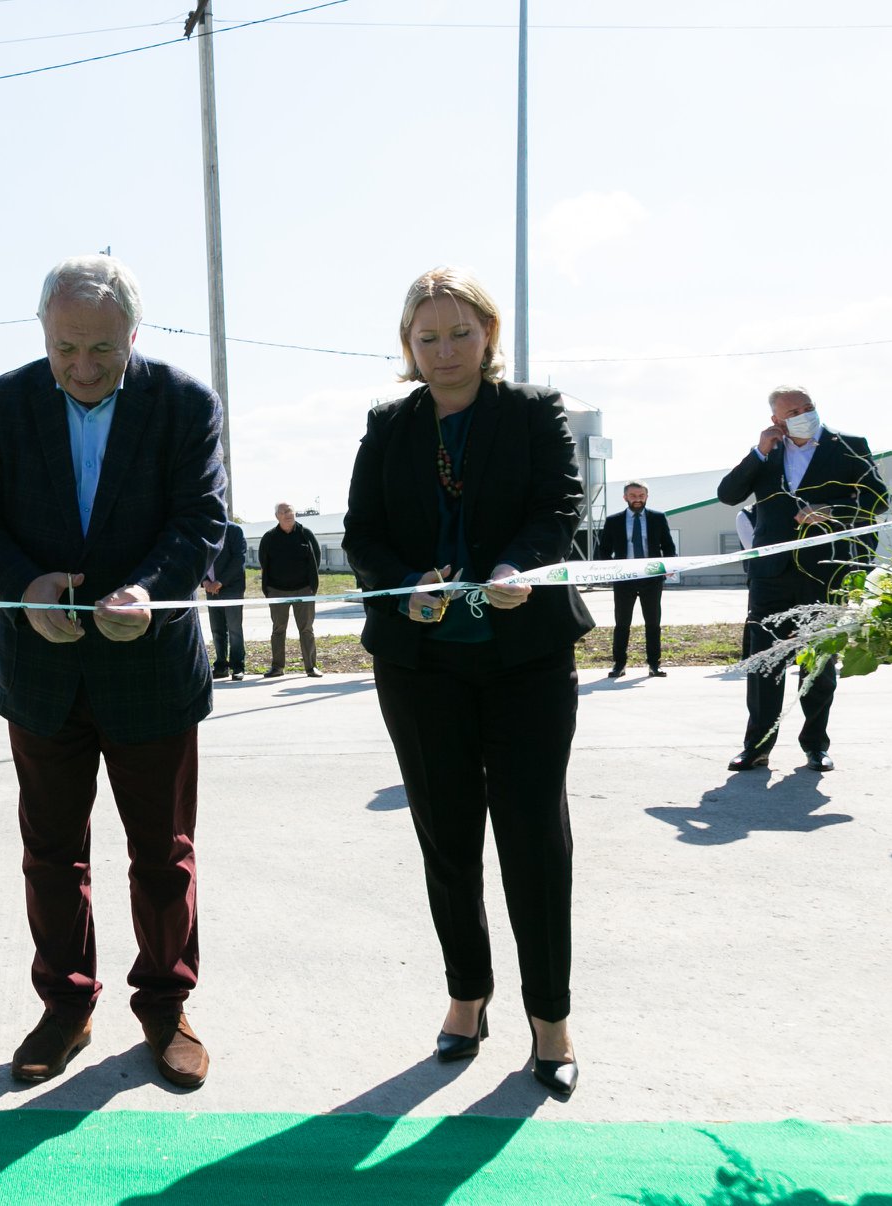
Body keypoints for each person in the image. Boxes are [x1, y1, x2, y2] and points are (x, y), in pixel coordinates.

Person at [0, 253, 225, 1090]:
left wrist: (151, 590)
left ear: (134, 334)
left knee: (163, 855)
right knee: (51, 853)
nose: (82, 367)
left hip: (151, 670)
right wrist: (22, 585)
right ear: (43, 333)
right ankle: (66, 1005)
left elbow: (201, 520)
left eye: (102, 348)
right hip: (41, 673)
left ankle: (167, 1005)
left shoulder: (185, 404)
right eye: (65, 347)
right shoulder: (4, 402)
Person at [342, 266, 593, 1097]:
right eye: (428, 337)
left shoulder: (533, 411)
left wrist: (521, 564)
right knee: (447, 839)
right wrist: (403, 586)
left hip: (526, 660)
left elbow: (559, 505)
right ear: (407, 346)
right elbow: (363, 534)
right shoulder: (387, 425)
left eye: (460, 332)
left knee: (534, 839)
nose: (445, 349)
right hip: (421, 667)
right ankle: (467, 996)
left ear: (489, 334)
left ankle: (550, 1017)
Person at [717, 387, 883, 773]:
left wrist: (832, 510)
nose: (803, 415)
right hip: (770, 574)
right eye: (793, 411)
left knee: (819, 664)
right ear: (776, 420)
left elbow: (877, 499)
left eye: (808, 407)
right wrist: (759, 452)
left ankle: (815, 745)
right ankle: (756, 746)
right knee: (764, 663)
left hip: (823, 572)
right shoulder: (768, 452)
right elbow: (728, 494)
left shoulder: (849, 446)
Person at [596, 481, 676, 678]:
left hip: (651, 578)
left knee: (653, 623)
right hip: (624, 579)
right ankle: (619, 664)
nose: (637, 499)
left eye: (641, 496)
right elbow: (603, 550)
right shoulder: (614, 521)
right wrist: (611, 570)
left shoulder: (658, 518)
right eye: (633, 496)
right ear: (625, 497)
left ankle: (654, 664)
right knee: (622, 623)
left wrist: (669, 565)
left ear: (646, 496)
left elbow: (668, 546)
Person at [259, 502, 321, 678]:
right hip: (277, 591)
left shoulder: (306, 534)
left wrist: (311, 586)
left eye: (290, 511)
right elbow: (263, 561)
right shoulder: (269, 537)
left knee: (306, 629)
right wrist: (269, 590)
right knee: (278, 630)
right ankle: (277, 667)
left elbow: (316, 558)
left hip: (304, 590)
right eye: (283, 512)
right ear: (277, 516)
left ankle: (311, 667)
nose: (287, 514)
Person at [203, 521, 247, 680]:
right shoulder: (202, 529)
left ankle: (238, 667)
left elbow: (238, 559)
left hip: (231, 588)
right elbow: (198, 557)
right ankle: (221, 666)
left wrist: (220, 582)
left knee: (234, 629)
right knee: (217, 630)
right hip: (210, 588)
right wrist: (204, 581)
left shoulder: (234, 530)